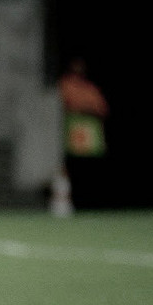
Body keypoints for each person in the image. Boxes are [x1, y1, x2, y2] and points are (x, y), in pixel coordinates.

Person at [50, 57, 109, 216]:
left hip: (89, 137)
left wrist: (86, 109)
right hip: (70, 134)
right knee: (69, 167)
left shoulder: (89, 88)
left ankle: (90, 204)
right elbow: (61, 104)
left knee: (88, 169)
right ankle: (66, 205)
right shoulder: (65, 85)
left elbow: (101, 108)